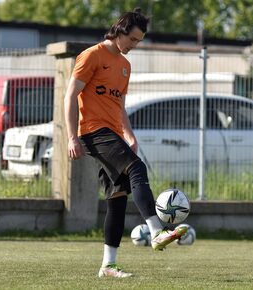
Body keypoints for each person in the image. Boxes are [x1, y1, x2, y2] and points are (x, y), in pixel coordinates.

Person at [64, 7, 188, 278]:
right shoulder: (92, 55)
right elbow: (70, 96)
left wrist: (129, 134)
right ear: (119, 30)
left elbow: (119, 105)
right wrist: (72, 136)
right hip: (93, 132)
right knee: (137, 169)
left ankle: (108, 265)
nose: (134, 45)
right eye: (132, 39)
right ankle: (157, 231)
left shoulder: (125, 66)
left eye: (139, 41)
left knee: (117, 198)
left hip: (112, 133)